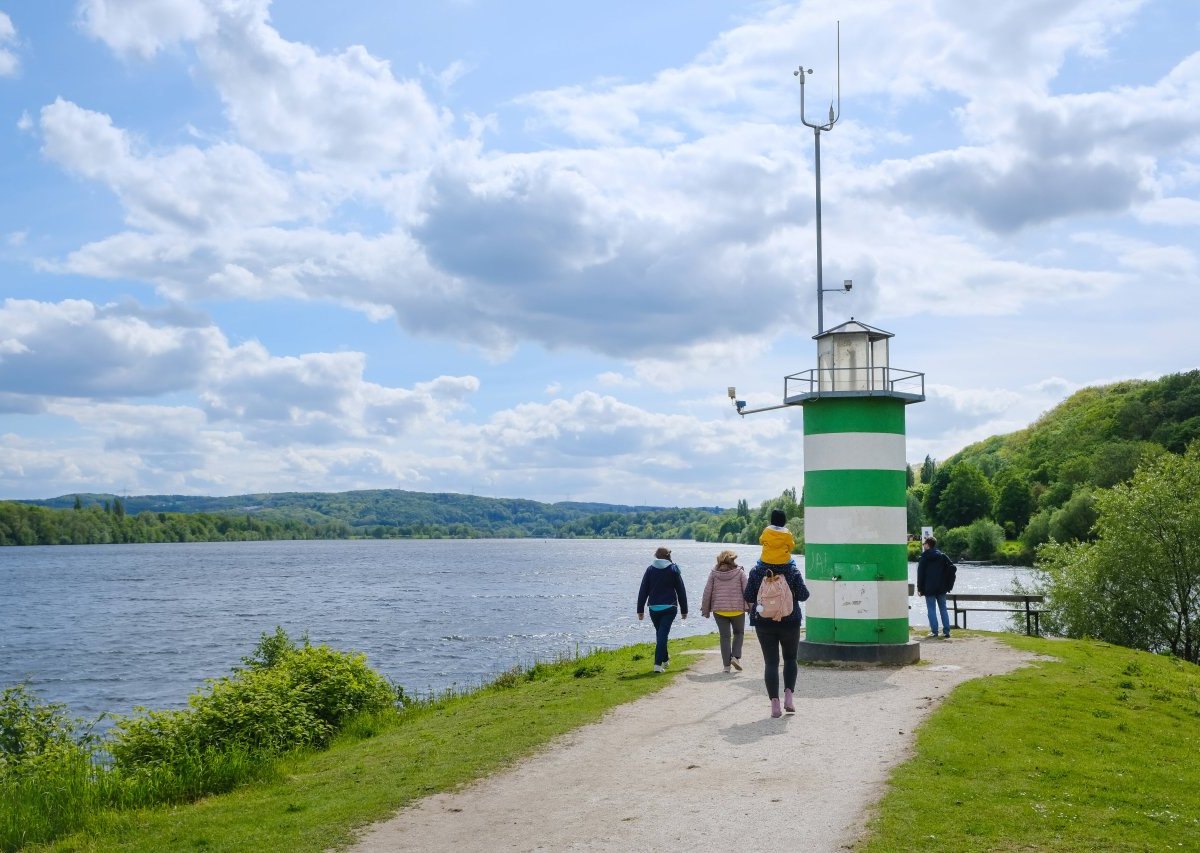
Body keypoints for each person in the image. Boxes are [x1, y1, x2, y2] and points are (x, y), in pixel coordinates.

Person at [744, 558, 809, 718]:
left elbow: (749, 596)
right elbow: (803, 595)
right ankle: (789, 698)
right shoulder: (792, 570)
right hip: (790, 621)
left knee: (771, 663)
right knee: (790, 658)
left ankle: (775, 705)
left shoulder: (756, 570)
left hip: (764, 623)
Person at [636, 546, 688, 673]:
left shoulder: (650, 570)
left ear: (656, 556)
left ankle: (664, 660)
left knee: (660, 634)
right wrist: (684, 610)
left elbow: (643, 590)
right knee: (662, 634)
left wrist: (640, 609)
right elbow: (681, 590)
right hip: (670, 607)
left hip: (653, 608)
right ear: (668, 556)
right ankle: (658, 665)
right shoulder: (673, 569)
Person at [700, 550, 748, 673]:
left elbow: (707, 592)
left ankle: (726, 666)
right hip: (737, 610)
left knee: (724, 637)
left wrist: (706, 610)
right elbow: (747, 591)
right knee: (739, 633)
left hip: (719, 610)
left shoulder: (714, 574)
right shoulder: (740, 572)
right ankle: (735, 657)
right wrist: (751, 608)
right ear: (733, 560)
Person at [916, 536, 953, 639]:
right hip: (941, 587)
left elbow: (920, 574)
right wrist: (948, 583)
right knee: (943, 609)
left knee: (931, 609)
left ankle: (934, 631)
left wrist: (920, 588)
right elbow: (951, 568)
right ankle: (946, 631)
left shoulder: (924, 558)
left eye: (924, 544)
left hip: (929, 588)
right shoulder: (942, 556)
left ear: (928, 545)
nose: (923, 545)